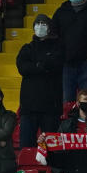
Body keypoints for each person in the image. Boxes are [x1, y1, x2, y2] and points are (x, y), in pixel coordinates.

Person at [16, 18, 64, 147]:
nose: (40, 26)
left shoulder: (58, 47)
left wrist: (34, 66)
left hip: (51, 108)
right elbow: (22, 67)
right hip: (29, 107)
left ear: (49, 28)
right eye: (37, 23)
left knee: (52, 148)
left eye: (44, 24)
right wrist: (42, 66)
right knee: (26, 146)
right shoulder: (26, 48)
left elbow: (56, 64)